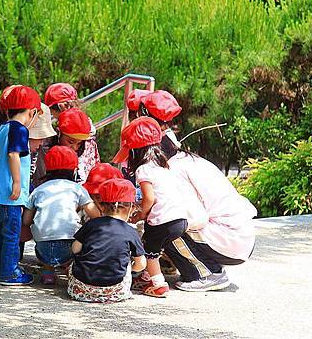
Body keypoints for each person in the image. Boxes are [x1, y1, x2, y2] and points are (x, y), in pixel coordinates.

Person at [114, 117, 257, 293]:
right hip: (237, 236)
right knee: (165, 224)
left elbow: (193, 217)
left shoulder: (172, 168)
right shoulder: (174, 164)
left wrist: (143, 216)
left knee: (166, 225)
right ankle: (174, 263)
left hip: (231, 238)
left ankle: (207, 274)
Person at [112, 117, 207, 297]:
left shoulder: (143, 169)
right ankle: (148, 275)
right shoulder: (165, 166)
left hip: (163, 220)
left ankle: (158, 284)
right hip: (181, 218)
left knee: (149, 251)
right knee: (156, 246)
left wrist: (141, 213)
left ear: (135, 152)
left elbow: (149, 197)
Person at [0, 85, 41, 286]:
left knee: (0, 234)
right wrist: (17, 183)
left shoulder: (3, 129)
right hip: (8, 196)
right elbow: (13, 154)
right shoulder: (19, 130)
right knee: (12, 235)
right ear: (32, 112)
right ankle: (10, 273)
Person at [23, 146, 96, 285]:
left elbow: (26, 220)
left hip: (42, 248)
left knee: (44, 237)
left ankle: (48, 273)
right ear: (74, 170)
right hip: (69, 247)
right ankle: (69, 268)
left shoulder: (39, 190)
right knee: (80, 238)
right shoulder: (77, 189)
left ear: (47, 169)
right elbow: (95, 215)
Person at [68, 178, 147, 303]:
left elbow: (75, 248)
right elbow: (141, 264)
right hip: (114, 291)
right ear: (131, 208)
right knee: (125, 263)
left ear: (101, 206)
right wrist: (131, 268)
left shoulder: (91, 224)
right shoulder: (131, 232)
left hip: (80, 290)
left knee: (76, 261)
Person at [44, 83, 100, 183]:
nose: (52, 115)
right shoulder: (85, 122)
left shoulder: (69, 131)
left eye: (52, 112)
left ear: (60, 107)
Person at [56, 108, 100, 183]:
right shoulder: (47, 150)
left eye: (79, 143)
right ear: (59, 133)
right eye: (70, 142)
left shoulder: (88, 146)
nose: (75, 148)